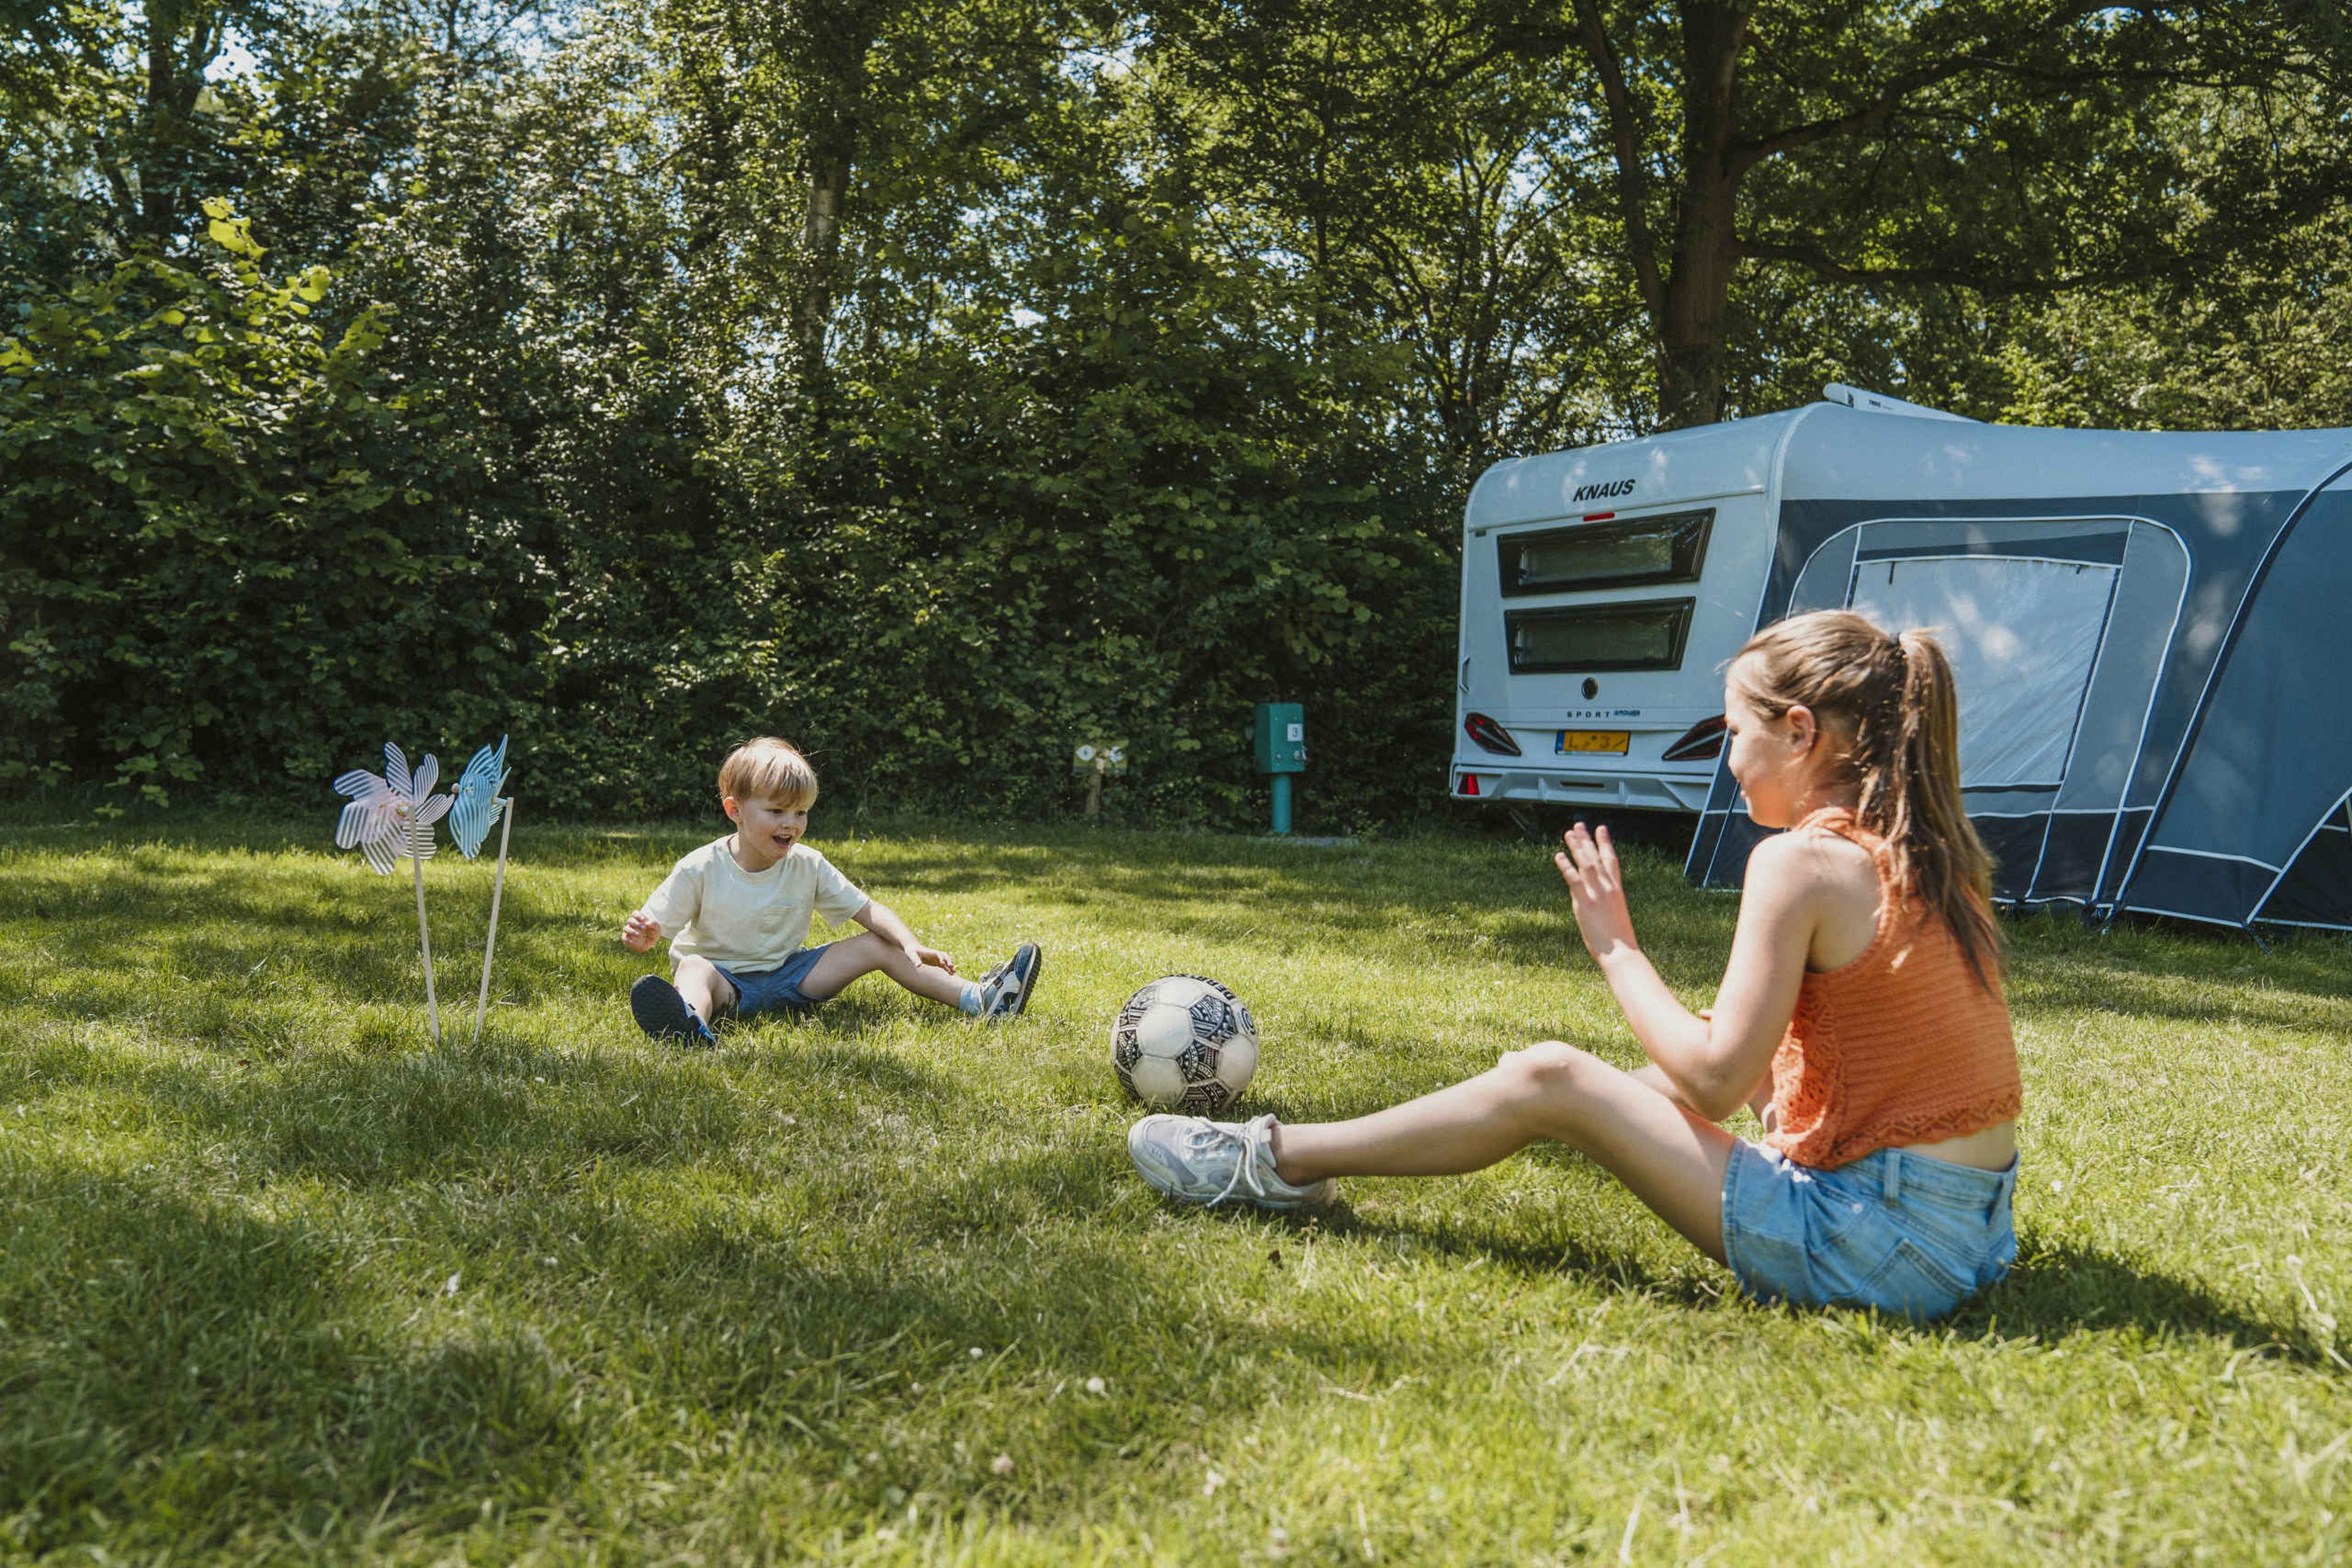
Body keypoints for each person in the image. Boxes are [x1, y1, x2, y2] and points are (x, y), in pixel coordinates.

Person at [1127, 611, 2022, 1321]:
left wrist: (1616, 946)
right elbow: (1754, 1062)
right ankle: (1420, 1127)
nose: (1729, 761)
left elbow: (1713, 1085)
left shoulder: (1802, 864)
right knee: (1567, 1083)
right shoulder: (1928, 855)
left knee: (1555, 1076)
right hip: (1971, 1233)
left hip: (1880, 1248)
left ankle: (1270, 1163)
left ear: (1797, 732)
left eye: (1732, 733)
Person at [623, 737, 1042, 1044]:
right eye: (776, 811)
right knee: (693, 969)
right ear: (735, 811)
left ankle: (983, 1000)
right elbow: (655, 927)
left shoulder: (808, 863)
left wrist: (910, 945)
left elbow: (868, 910)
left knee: (878, 943)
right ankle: (690, 1025)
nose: (791, 823)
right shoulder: (701, 867)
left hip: (791, 976)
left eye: (801, 812)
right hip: (726, 984)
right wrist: (644, 938)